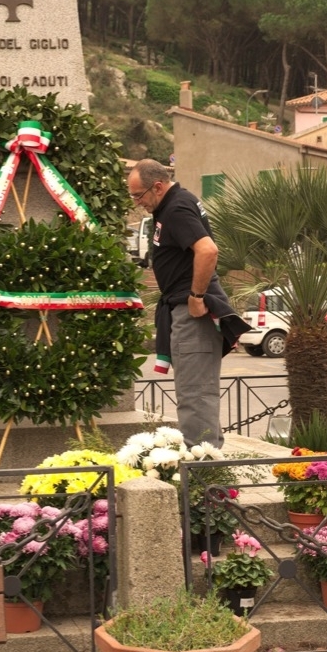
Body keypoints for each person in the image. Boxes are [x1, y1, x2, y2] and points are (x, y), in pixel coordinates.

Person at [127, 159, 250, 448]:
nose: (137, 202)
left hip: (191, 309)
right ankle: (208, 467)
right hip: (181, 307)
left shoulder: (177, 208)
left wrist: (195, 297)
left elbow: (207, 251)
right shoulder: (173, 204)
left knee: (195, 394)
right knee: (196, 392)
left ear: (157, 186)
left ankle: (203, 477)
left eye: (138, 195)